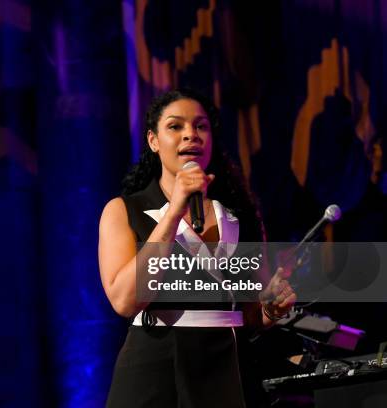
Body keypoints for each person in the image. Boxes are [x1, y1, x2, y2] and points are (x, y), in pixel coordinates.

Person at [98, 89, 296, 407]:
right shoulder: (124, 210)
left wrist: (272, 309)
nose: (191, 134)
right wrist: (174, 212)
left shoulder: (239, 214)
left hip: (229, 368)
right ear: (153, 140)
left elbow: (250, 312)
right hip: (155, 367)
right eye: (176, 127)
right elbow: (124, 301)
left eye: (201, 126)